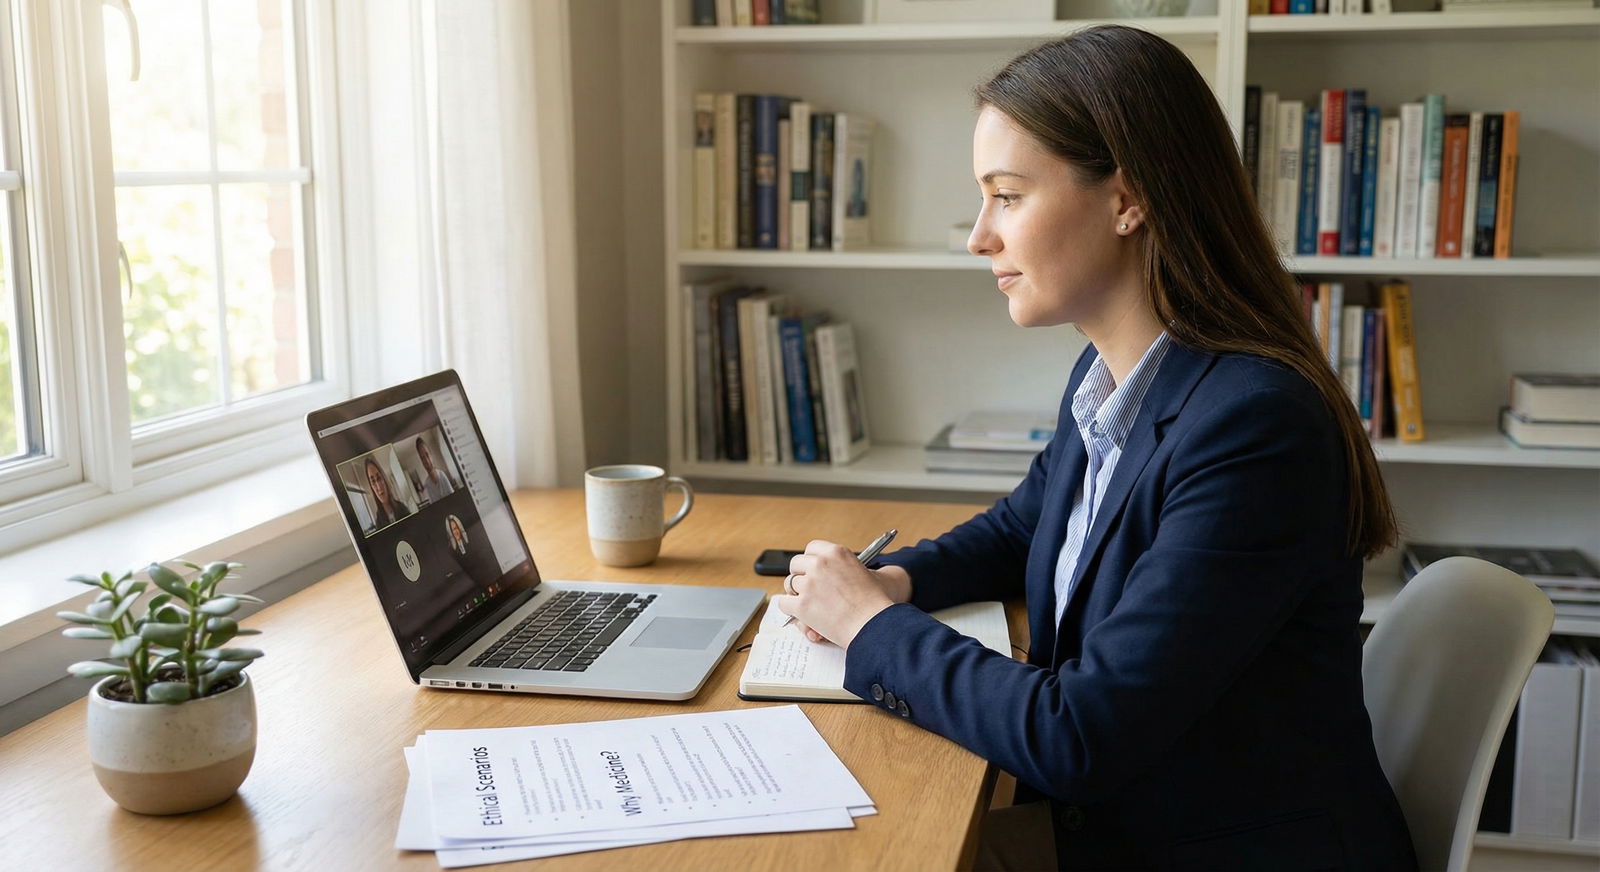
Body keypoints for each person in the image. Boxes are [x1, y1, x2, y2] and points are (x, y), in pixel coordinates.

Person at [773, 26, 1417, 872]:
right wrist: (901, 579)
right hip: (1125, 826)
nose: (978, 237)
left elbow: (1081, 734)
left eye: (1007, 196)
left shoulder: (1256, 429)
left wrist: (870, 625)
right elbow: (1021, 529)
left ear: (1127, 199)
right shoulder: (1116, 372)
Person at [365, 456, 413, 529]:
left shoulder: (402, 508)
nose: (378, 487)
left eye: (379, 478)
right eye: (373, 482)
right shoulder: (378, 523)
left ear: (384, 479)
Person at [415, 436, 456, 503]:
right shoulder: (427, 485)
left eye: (427, 454)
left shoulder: (442, 475)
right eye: (422, 458)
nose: (427, 461)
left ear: (431, 455)